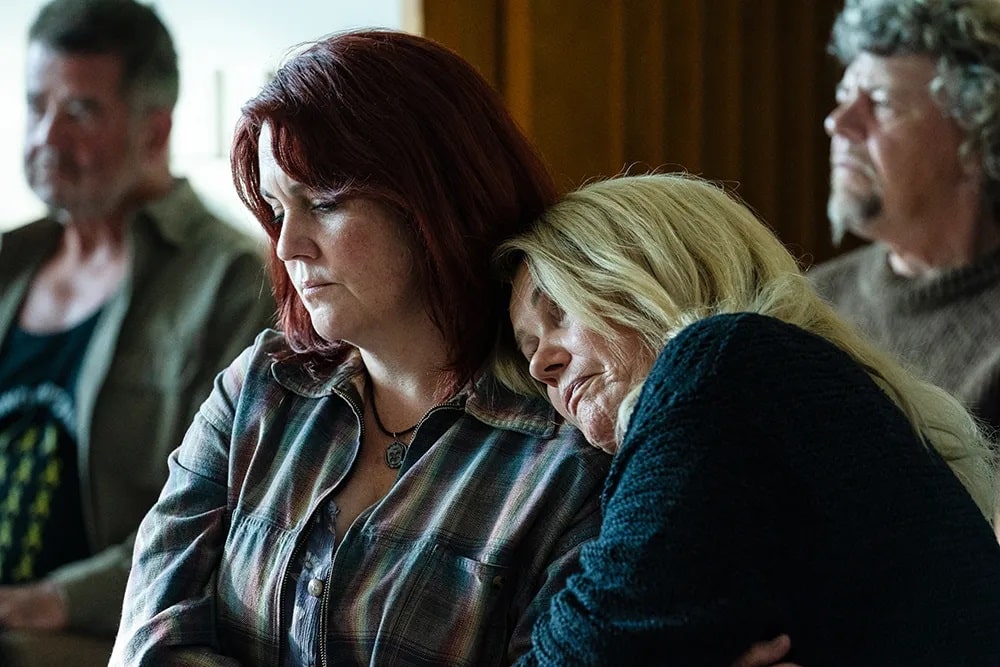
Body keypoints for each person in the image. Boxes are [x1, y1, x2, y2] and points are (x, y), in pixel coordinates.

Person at [109, 29, 611, 666]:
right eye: (275, 207)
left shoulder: (569, 448)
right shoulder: (257, 392)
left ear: (437, 198)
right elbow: (147, 645)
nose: (289, 246)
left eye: (322, 203)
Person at [498, 173, 1000, 665]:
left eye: (560, 313)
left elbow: (589, 649)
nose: (542, 366)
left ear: (660, 271)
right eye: (530, 348)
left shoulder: (719, 366)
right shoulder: (779, 389)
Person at [0, 0, 273, 662]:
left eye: (80, 113)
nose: (46, 137)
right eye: (36, 105)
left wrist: (50, 600)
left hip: (101, 633)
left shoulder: (234, 281)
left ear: (155, 132)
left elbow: (229, 512)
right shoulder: (10, 261)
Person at [809, 0, 1000, 445]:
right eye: (843, 97)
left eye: (879, 103)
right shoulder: (811, 304)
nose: (838, 122)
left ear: (975, 138)